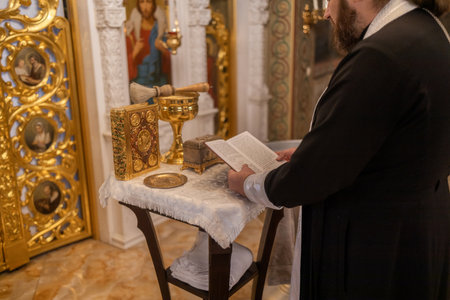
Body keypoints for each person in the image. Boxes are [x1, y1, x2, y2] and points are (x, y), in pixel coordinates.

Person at [228, 0, 450, 298]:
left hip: (372, 245)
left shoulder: (378, 55)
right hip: (420, 227)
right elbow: (390, 137)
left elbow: (311, 177)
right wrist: (318, 149)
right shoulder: (429, 30)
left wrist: (249, 184)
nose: (326, 12)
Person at [126, 0, 171, 96]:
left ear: (154, 5)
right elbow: (123, 65)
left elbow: (172, 63)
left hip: (160, 83)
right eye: (142, 2)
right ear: (138, 5)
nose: (145, 6)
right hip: (140, 84)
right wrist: (135, 52)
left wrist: (162, 49)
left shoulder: (160, 31)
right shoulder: (132, 33)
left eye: (149, 2)